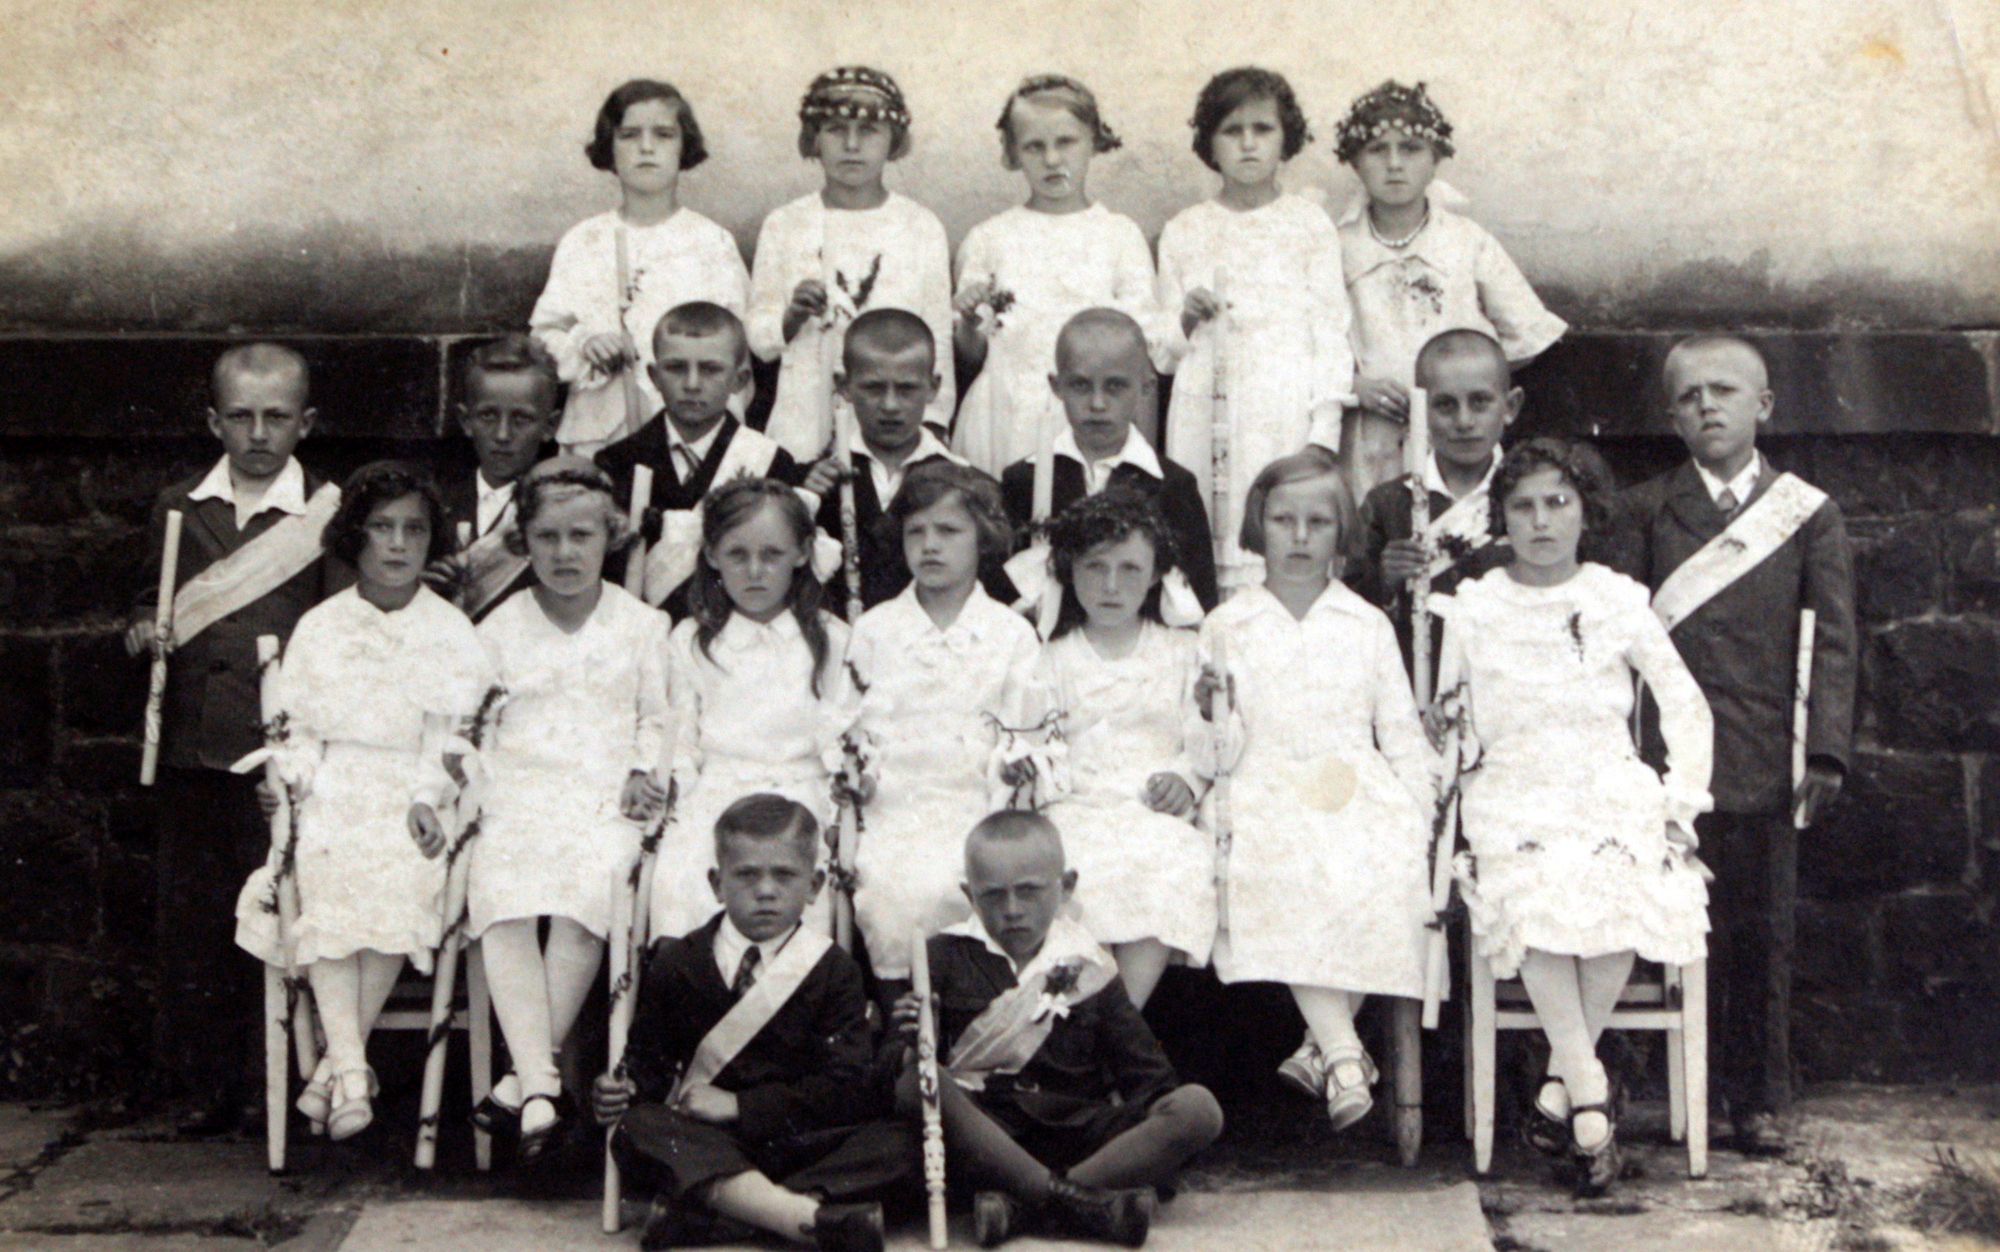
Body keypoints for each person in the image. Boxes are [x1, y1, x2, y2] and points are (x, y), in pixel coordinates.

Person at [1439, 437, 1714, 1195]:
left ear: (1586, 513)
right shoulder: (1476, 606)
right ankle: (1589, 1090)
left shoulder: (1617, 599)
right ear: (1501, 517)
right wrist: (1450, 740)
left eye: (1558, 503)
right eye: (1523, 506)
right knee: (1533, 890)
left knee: (1624, 882)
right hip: (1515, 788)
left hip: (1605, 784)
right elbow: (1452, 714)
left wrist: (1681, 800)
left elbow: (1685, 704)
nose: (1541, 521)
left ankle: (1567, 1085)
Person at [1610, 335, 1856, 1155]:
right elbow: (1618, 636)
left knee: (1758, 937)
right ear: (1671, 417)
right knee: (1644, 925)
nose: (1707, 405)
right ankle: (1631, 1092)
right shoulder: (1645, 510)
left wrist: (1825, 752)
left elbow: (1834, 642)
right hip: (1664, 760)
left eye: (1724, 390)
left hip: (1761, 757)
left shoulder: (1808, 514)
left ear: (1765, 406)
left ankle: (1755, 1099)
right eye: (1689, 396)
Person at [233, 462, 491, 1140]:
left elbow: (453, 737)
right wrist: (288, 783)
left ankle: (335, 1072)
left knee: (400, 875)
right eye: (382, 527)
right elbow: (300, 732)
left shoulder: (451, 631)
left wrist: (429, 798)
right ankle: (351, 1067)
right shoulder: (322, 626)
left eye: (414, 529)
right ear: (356, 536)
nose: (399, 544)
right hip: (336, 786)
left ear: (432, 539)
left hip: (412, 792)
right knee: (325, 873)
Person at [125, 342, 342, 1136]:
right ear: (214, 421)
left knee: (277, 921)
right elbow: (150, 603)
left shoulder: (327, 512)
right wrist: (141, 631)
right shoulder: (179, 507)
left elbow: (336, 630)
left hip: (277, 756)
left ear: (305, 422)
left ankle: (268, 1083)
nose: (258, 434)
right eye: (241, 417)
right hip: (194, 747)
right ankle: (201, 1085)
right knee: (195, 928)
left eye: (276, 417)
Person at [1196, 446, 1433, 1131]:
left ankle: (1322, 1046)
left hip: (1348, 777)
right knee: (1288, 857)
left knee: (1381, 854)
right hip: (1263, 777)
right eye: (1283, 520)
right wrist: (1212, 710)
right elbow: (1215, 753)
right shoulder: (1227, 624)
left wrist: (1424, 811)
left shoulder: (1366, 623)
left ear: (1341, 532)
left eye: (1319, 523)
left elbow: (1399, 729)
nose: (1300, 538)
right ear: (1258, 525)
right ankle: (1345, 1053)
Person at [890, 811, 1223, 1248]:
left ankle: (1027, 1205)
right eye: (993, 895)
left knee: (1198, 1108)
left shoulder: (1090, 965)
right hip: (989, 1137)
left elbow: (1150, 1081)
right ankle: (1081, 1203)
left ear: (1066, 887)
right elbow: (892, 1078)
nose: (1012, 910)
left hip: (1076, 1133)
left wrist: (1158, 1133)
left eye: (1029, 891)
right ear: (969, 895)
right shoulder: (942, 956)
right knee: (916, 1083)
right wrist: (915, 1039)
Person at [597, 795, 911, 1252]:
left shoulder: (833, 970)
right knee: (639, 1126)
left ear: (814, 886)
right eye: (747, 875)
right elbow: (649, 1069)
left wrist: (742, 1107)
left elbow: (847, 1086)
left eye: (784, 875)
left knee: (904, 1139)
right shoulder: (678, 962)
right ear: (716, 884)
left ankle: (726, 1214)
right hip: (711, 1141)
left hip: (800, 1140)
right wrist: (620, 1090)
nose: (766, 891)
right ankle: (805, 1217)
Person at [469, 457, 670, 1164]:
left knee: (591, 891)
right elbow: (476, 727)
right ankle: (541, 1083)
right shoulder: (498, 628)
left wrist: (645, 770)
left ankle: (523, 1084)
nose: (564, 553)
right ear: (523, 541)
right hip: (520, 794)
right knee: (502, 892)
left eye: (581, 536)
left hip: (604, 796)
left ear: (610, 537)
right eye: (547, 537)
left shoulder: (643, 625)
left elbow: (659, 718)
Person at [1156, 67, 1353, 593]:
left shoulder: (1309, 225)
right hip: (1204, 409)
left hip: (1281, 409)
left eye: (1262, 129)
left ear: (1286, 138)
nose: (1248, 144)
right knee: (1206, 544)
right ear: (1209, 143)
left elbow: (1330, 333)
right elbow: (1162, 355)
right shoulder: (1184, 230)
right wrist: (1185, 318)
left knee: (1278, 534)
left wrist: (1322, 433)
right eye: (1231, 130)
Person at [842, 463, 1040, 983]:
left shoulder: (1011, 633)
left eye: (949, 531)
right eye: (916, 532)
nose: (930, 545)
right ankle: (900, 1015)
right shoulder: (876, 628)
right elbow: (852, 724)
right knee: (890, 889)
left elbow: (1024, 730)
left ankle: (966, 1012)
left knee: (964, 881)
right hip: (895, 803)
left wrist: (1013, 771)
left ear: (983, 539)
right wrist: (862, 773)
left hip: (978, 799)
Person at [1333, 81, 1566, 500]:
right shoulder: (1337, 246)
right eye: (1377, 150)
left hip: (1456, 431)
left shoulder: (1465, 241)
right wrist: (1354, 384)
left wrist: (1466, 381)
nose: (1394, 164)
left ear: (1435, 159)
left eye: (1410, 149)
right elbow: (1309, 340)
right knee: (1379, 516)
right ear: (1354, 162)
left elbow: (1526, 332)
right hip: (1372, 433)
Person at [1029, 493, 1216, 1007]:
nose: (1111, 586)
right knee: (1079, 871)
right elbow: (1038, 744)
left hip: (1154, 812)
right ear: (1070, 570)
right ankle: (1090, 1022)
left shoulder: (1182, 651)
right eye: (1095, 567)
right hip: (1076, 806)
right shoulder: (1052, 658)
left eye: (1130, 569)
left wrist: (1187, 779)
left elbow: (1205, 743)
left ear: (1156, 575)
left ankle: (1123, 1019)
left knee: (1170, 864)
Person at [651, 478, 852, 941]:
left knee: (802, 892)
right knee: (684, 883)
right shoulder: (690, 641)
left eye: (772, 554)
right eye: (738, 555)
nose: (755, 571)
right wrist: (671, 787)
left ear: (802, 553)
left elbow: (842, 737)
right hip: (716, 793)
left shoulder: (831, 638)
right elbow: (680, 741)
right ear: (711, 555)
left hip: (803, 796)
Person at [531, 79, 751, 458]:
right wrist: (585, 345)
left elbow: (740, 348)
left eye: (663, 135)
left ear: (684, 147)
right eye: (629, 135)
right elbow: (544, 336)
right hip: (600, 434)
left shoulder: (712, 242)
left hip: (692, 438)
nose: (646, 148)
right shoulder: (583, 241)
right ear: (609, 147)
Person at [952, 75, 1158, 475]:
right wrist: (969, 325)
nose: (1051, 159)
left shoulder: (1119, 235)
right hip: (1002, 417)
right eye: (1034, 146)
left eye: (1065, 142)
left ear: (1093, 141)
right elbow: (971, 355)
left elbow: (1142, 355)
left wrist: (1143, 459)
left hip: (1091, 414)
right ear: (1014, 152)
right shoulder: (989, 238)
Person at [749, 67, 955, 462]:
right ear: (814, 138)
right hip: (804, 415)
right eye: (835, 129)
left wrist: (933, 424)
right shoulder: (785, 224)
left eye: (869, 131)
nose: (852, 145)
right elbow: (760, 339)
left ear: (894, 140)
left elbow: (938, 339)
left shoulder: (920, 226)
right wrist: (792, 316)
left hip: (893, 420)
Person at [594, 303, 812, 616]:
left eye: (710, 369)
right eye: (676, 368)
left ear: (739, 379)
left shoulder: (770, 461)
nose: (692, 384)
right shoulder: (617, 462)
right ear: (654, 376)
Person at [999, 310, 1218, 614]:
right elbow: (1000, 593)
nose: (1097, 403)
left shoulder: (1172, 486)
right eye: (1080, 385)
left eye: (1115, 387)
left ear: (1146, 387)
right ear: (1056, 386)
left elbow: (1197, 598)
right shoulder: (1023, 480)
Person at [1345, 328, 1522, 665]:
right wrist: (1384, 580)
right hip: (1414, 678)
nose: (1464, 421)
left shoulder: (1530, 496)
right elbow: (1350, 614)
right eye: (1445, 405)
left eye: (1480, 402)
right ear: (1420, 411)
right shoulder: (1388, 503)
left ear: (1510, 407)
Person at [812, 308, 974, 615]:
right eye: (873, 388)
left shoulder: (964, 481)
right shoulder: (817, 479)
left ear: (933, 387)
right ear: (844, 386)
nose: (890, 405)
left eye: (906, 388)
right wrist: (806, 503)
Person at [432, 334, 558, 622]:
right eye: (488, 416)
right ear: (466, 421)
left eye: (520, 419)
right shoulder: (435, 503)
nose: (502, 435)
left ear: (550, 426)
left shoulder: (556, 509)